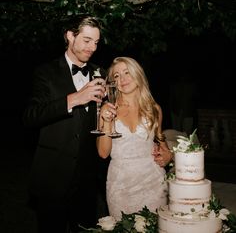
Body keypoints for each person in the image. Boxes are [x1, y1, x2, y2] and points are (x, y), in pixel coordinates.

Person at [22, 16, 107, 233]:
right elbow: (31, 116)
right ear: (70, 36)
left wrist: (106, 112)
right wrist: (76, 98)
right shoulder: (45, 72)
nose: (92, 48)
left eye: (96, 42)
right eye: (87, 40)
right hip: (53, 176)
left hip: (87, 181)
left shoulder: (100, 73)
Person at [96, 56, 173, 220]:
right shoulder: (108, 109)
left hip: (153, 182)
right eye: (116, 76)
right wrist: (107, 121)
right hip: (120, 184)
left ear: (138, 74)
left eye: (127, 72)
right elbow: (103, 153)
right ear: (113, 82)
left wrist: (168, 156)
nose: (122, 79)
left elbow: (161, 142)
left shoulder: (154, 109)